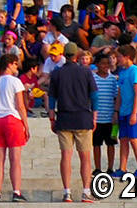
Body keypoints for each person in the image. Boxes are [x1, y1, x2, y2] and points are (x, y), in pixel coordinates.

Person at [49, 44, 96, 203]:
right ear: (77, 55)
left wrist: (51, 116)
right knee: (85, 158)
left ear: (64, 54)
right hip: (83, 117)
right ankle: (85, 191)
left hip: (64, 118)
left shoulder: (57, 73)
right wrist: (94, 116)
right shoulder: (86, 71)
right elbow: (94, 96)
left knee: (66, 156)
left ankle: (67, 192)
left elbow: (51, 97)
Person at [0, 55, 29, 202]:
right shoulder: (15, 81)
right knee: (15, 159)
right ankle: (16, 192)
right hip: (12, 120)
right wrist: (26, 126)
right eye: (15, 64)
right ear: (9, 65)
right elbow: (20, 106)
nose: (17, 67)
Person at [114, 44, 137, 175]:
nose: (117, 60)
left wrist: (134, 113)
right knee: (123, 139)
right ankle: (122, 168)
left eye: (119, 57)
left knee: (134, 139)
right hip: (123, 110)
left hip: (135, 110)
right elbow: (120, 94)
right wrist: (116, 111)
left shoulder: (135, 71)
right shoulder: (122, 73)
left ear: (127, 57)